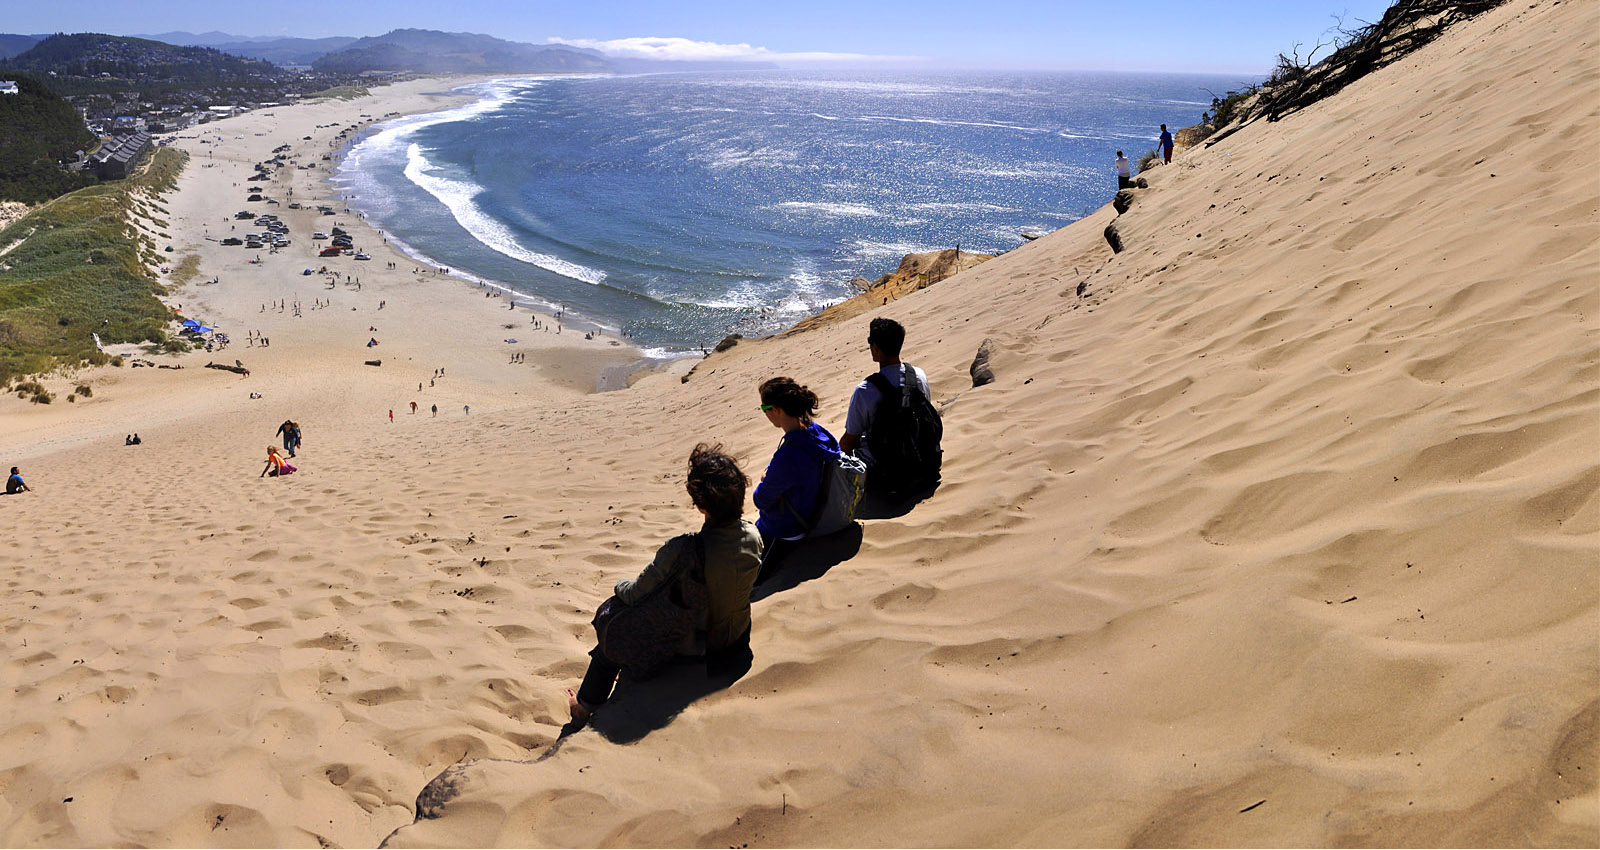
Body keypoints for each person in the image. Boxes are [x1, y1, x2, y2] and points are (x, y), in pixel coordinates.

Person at [567, 444, 762, 724]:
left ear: (700, 504)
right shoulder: (753, 537)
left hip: (697, 651)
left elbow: (634, 594)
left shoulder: (683, 548)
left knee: (612, 628)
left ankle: (583, 707)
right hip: (737, 642)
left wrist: (618, 585)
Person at [751, 377, 840, 578]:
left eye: (764, 407)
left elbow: (760, 499)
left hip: (788, 528)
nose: (764, 413)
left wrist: (765, 479)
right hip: (813, 513)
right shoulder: (816, 433)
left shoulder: (789, 454)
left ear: (777, 410)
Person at [840, 318, 941, 494]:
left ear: (876, 348)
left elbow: (849, 441)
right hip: (924, 461)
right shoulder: (918, 375)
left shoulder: (865, 390)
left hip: (886, 473)